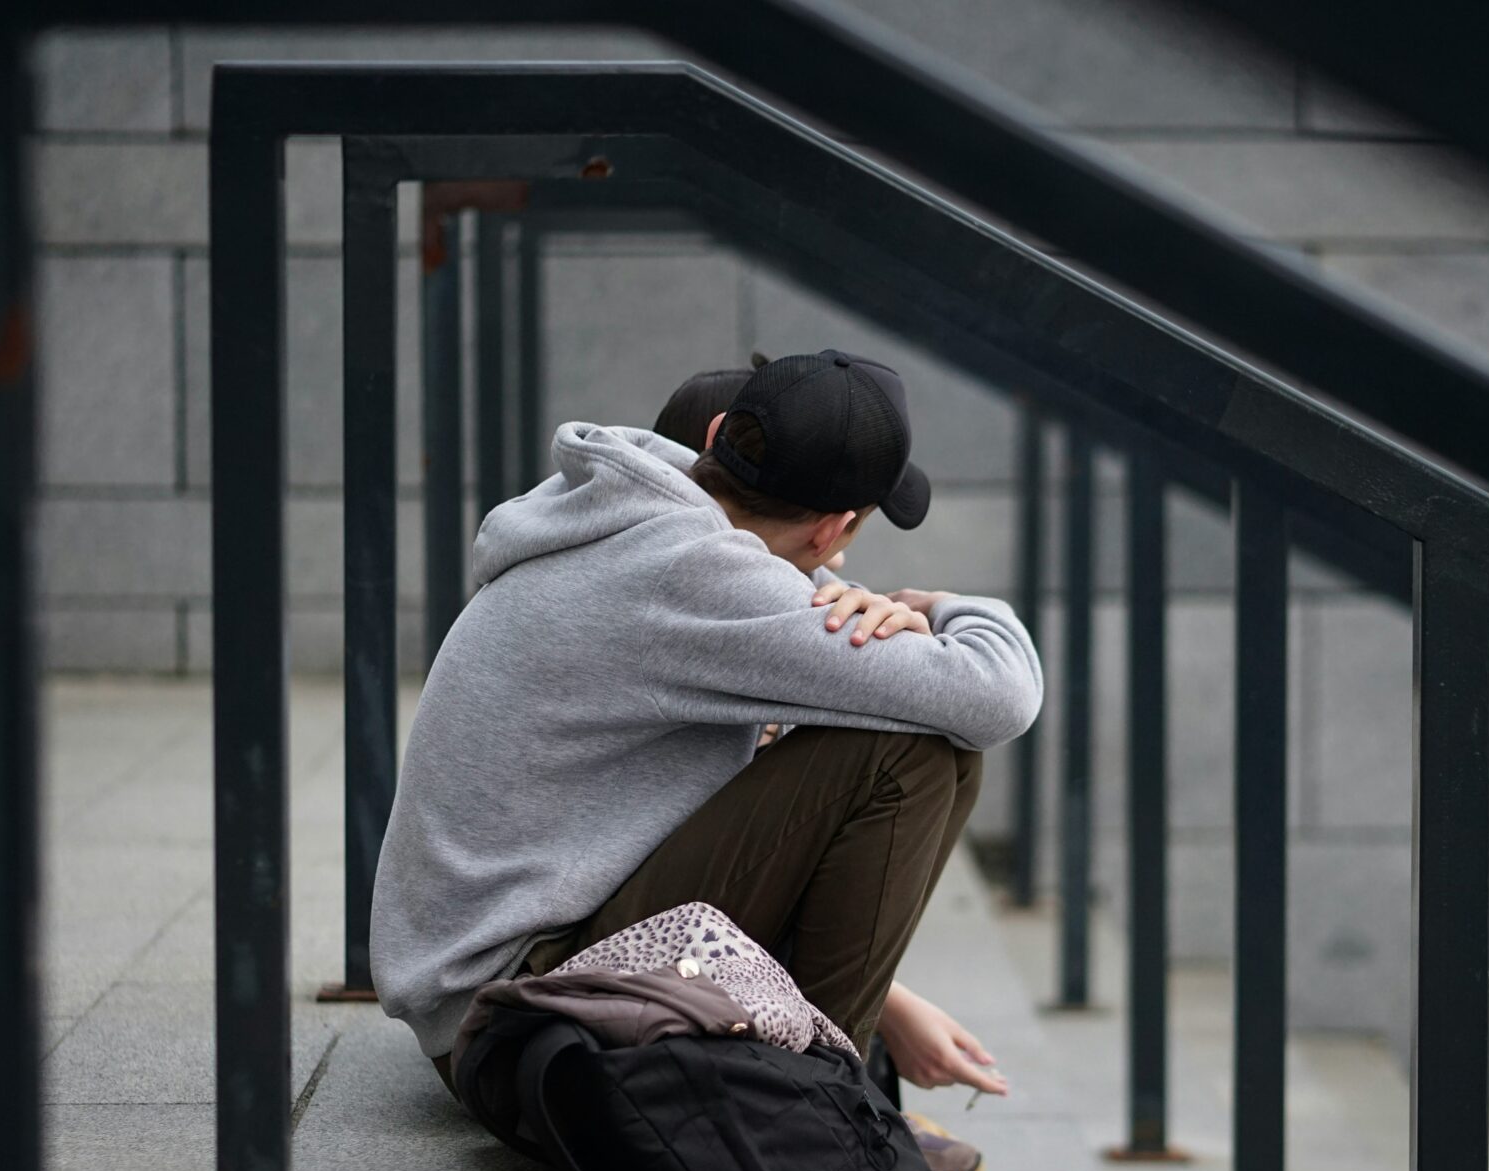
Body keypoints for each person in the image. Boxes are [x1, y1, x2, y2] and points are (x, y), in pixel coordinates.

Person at [371, 350, 1040, 1108]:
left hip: (487, 984)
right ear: (832, 531)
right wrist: (940, 604)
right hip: (518, 1013)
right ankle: (818, 1112)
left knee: (907, 728)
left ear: (718, 436)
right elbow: (999, 697)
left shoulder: (626, 515)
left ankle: (820, 1092)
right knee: (908, 751)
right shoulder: (693, 576)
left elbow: (805, 630)